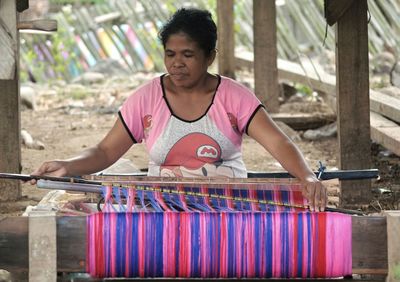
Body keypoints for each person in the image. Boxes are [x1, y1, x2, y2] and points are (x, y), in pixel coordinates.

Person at [31, 8, 327, 211]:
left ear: (209, 56)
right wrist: (67, 165)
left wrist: (307, 176)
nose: (177, 63)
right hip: (162, 207)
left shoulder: (234, 97)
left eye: (188, 55)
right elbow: (106, 152)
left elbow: (278, 142)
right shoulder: (146, 99)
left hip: (228, 208)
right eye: (170, 54)